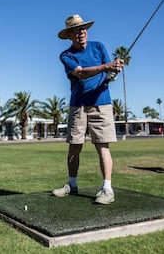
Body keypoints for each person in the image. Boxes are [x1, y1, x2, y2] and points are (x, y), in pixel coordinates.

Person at [52, 14, 124, 204]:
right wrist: (107, 66)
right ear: (69, 35)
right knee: (74, 147)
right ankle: (72, 185)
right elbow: (81, 73)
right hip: (78, 105)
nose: (81, 32)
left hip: (101, 103)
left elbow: (109, 72)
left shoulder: (99, 47)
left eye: (83, 28)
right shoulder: (66, 55)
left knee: (102, 146)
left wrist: (115, 68)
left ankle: (107, 189)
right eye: (76, 30)